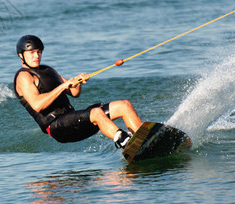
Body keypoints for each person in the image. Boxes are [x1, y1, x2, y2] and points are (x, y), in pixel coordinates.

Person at [12, 35, 143, 148]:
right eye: (31, 53)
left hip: (73, 120)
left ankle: (144, 138)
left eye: (39, 52)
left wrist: (77, 82)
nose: (36, 56)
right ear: (21, 55)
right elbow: (37, 104)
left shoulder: (48, 70)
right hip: (56, 127)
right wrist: (63, 86)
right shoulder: (24, 76)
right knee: (96, 112)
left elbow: (74, 93)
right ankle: (124, 141)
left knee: (124, 105)